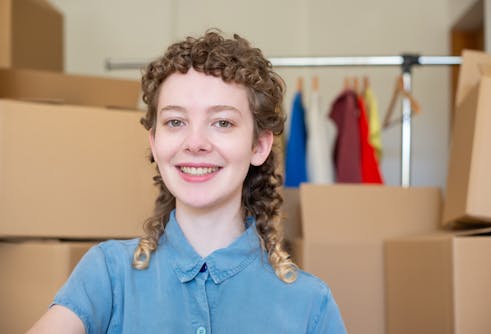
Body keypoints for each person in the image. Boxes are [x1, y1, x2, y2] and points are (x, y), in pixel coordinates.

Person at [28, 30, 347, 334]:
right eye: (175, 121)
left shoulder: (310, 303)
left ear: (259, 146)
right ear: (154, 142)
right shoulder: (107, 274)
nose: (195, 143)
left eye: (222, 122)